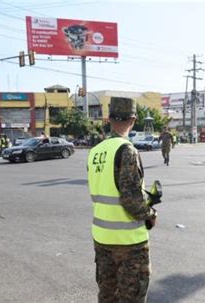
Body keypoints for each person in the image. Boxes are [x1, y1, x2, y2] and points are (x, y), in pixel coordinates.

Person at [87, 97, 158, 303]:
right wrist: (150, 214)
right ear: (133, 120)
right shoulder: (126, 150)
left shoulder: (95, 152)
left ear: (109, 119)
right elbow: (131, 200)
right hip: (129, 243)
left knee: (108, 296)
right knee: (131, 297)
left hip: (102, 239)